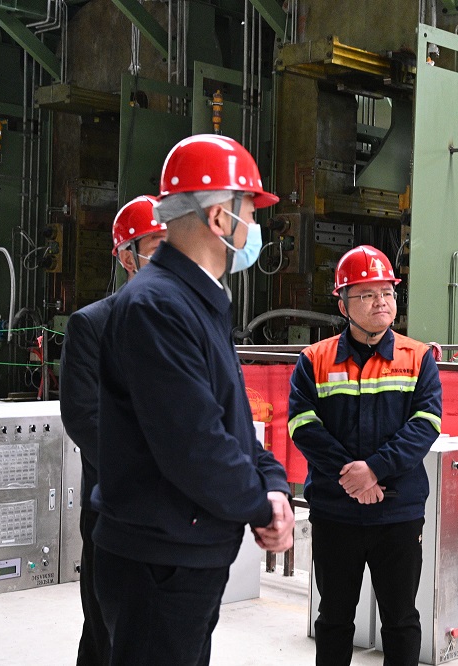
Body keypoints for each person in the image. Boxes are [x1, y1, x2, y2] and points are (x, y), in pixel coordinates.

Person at [91, 134, 295, 665]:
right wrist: (261, 506)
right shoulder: (158, 306)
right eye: (251, 211)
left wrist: (273, 483)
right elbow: (194, 443)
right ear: (220, 218)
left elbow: (230, 422)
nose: (254, 227)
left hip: (185, 554)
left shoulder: (196, 300)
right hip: (158, 561)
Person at [288, 245, 443, 666]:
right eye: (367, 294)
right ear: (343, 305)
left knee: (401, 619)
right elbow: (302, 424)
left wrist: (374, 470)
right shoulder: (314, 360)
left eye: (387, 292)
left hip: (398, 513)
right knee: (334, 618)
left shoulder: (418, 358)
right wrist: (351, 476)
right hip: (335, 511)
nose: (381, 302)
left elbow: (426, 423)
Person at [60, 195, 166, 666]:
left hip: (183, 515)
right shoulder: (92, 325)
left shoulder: (199, 324)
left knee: (172, 636)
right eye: (159, 248)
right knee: (109, 632)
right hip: (117, 509)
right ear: (127, 257)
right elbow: (85, 416)